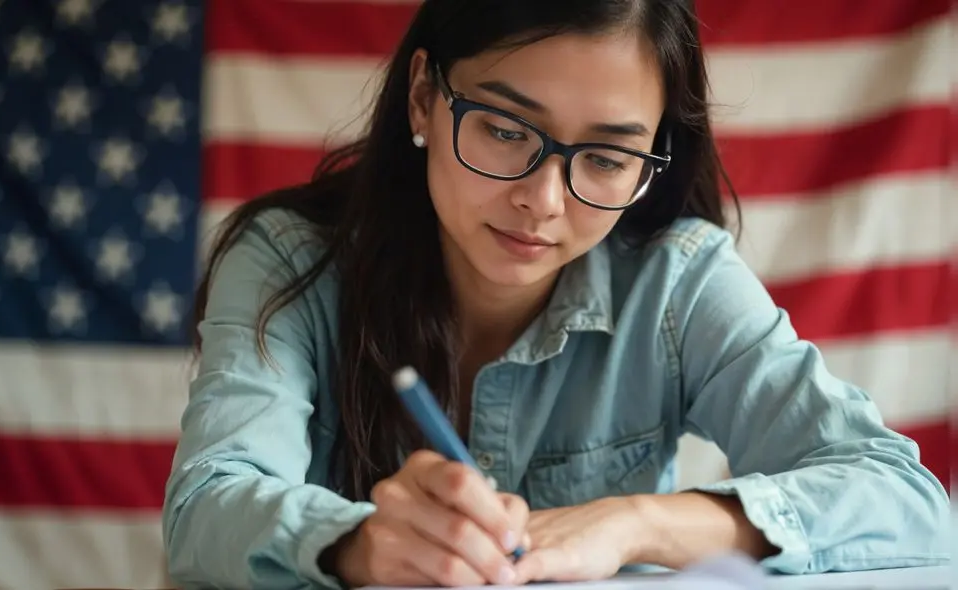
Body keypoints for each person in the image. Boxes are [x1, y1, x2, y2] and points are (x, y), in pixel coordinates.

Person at [161, 1, 950, 588]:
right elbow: (207, 506)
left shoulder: (679, 282)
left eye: (606, 158)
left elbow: (905, 502)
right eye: (505, 129)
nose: (544, 200)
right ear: (423, 100)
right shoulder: (290, 262)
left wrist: (632, 525)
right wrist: (361, 545)